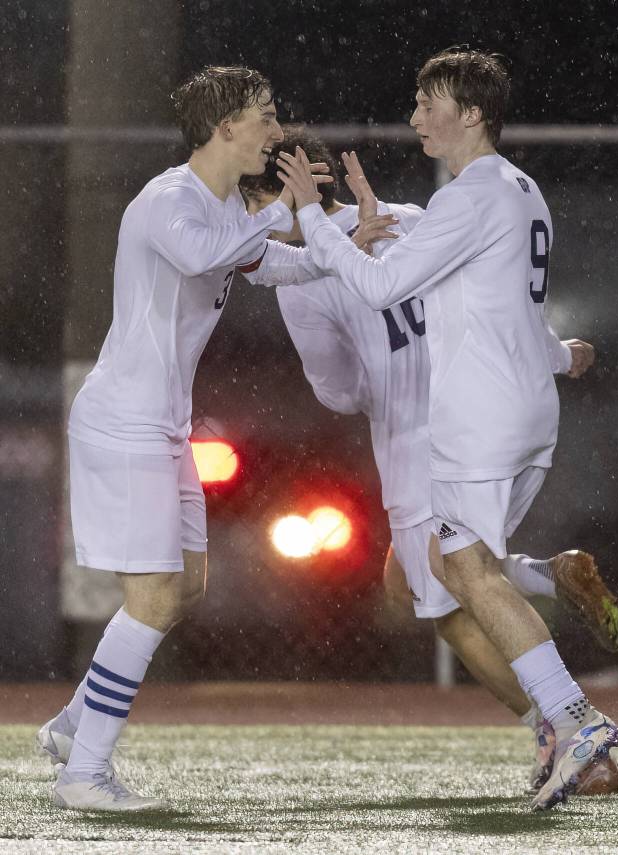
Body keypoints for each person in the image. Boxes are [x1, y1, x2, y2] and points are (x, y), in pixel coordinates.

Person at [276, 48, 618, 810]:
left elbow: (378, 284)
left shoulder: (467, 196)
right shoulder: (519, 190)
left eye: (429, 103)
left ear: (470, 113)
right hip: (529, 406)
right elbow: (510, 313)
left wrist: (312, 220)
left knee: (464, 578)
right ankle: (557, 633)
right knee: (454, 560)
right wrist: (564, 357)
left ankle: (576, 723)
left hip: (477, 418)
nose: (416, 117)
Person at [35, 66, 330, 812]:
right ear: (224, 125)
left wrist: (345, 245)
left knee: (187, 584)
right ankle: (85, 775)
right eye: (264, 117)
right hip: (124, 422)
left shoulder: (226, 202)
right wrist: (287, 209)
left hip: (163, 425)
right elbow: (208, 254)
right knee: (155, 595)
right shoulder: (169, 200)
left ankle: (75, 724)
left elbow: (266, 263)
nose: (275, 130)